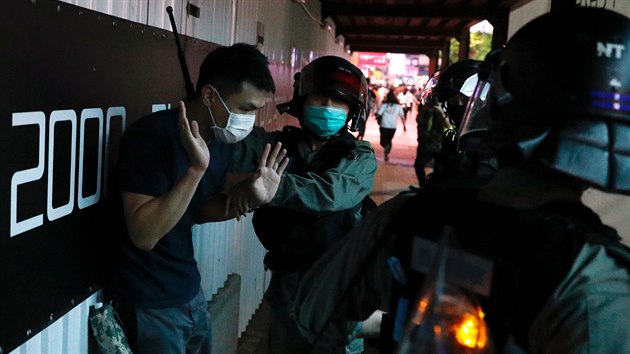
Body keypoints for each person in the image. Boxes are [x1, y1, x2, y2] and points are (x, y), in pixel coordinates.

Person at [291, 7, 630, 354]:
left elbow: (314, 309)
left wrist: (390, 325)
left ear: (498, 104)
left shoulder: (408, 215)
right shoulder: (595, 276)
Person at [104, 43, 288, 354]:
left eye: (255, 110)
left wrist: (251, 197)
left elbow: (198, 211)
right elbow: (143, 234)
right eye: (244, 108)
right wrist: (195, 170)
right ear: (209, 96)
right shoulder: (151, 137)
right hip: (150, 302)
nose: (250, 120)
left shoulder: (220, 139)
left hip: (189, 291)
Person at [231, 55, 378, 353]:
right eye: (319, 98)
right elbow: (233, 148)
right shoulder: (276, 145)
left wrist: (277, 188)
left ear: (352, 110)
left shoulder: (360, 157)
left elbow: (332, 193)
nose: (326, 107)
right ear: (302, 101)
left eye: (338, 102)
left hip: (337, 285)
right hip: (286, 282)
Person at [376, 91, 405, 161]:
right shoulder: (398, 106)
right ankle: (387, 151)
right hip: (393, 126)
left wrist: (378, 118)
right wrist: (404, 126)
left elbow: (378, 114)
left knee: (382, 141)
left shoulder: (384, 105)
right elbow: (402, 116)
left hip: (384, 125)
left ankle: (386, 150)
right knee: (389, 140)